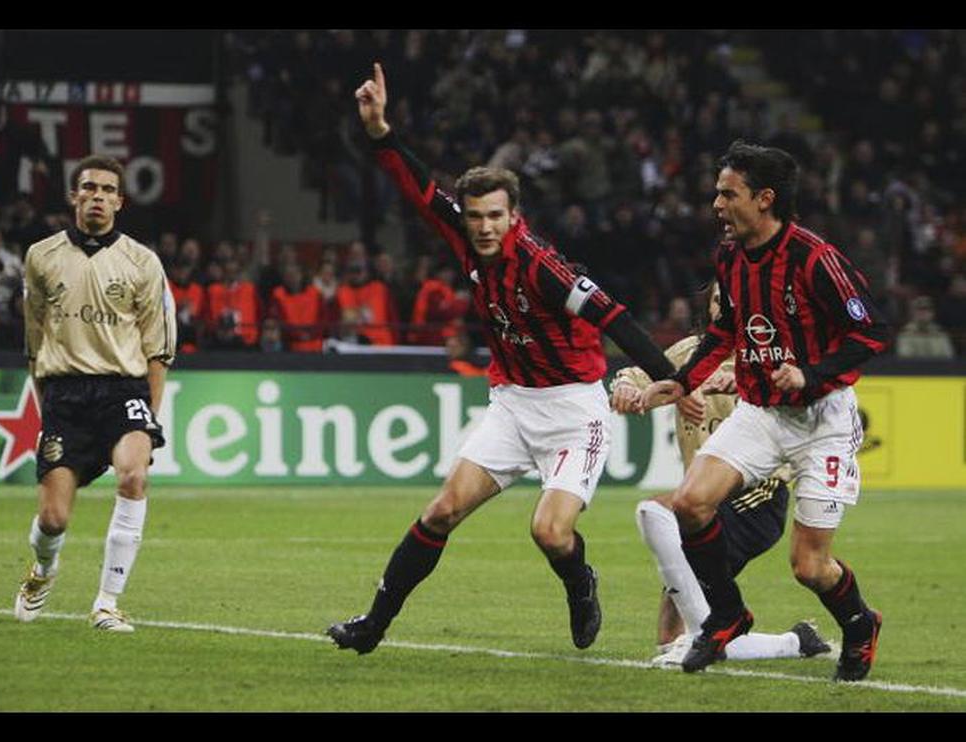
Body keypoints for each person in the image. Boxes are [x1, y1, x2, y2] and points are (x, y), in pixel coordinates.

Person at [327, 63, 675, 654]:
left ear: (514, 215)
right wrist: (381, 132)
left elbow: (612, 317)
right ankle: (372, 626)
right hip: (512, 406)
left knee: (549, 532)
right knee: (441, 511)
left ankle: (579, 580)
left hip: (574, 411)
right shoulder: (465, 237)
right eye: (475, 216)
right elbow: (417, 190)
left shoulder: (541, 266)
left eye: (495, 216)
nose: (484, 227)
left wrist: (674, 376)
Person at [638, 141, 890, 681]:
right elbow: (723, 333)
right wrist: (678, 382)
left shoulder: (814, 259)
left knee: (809, 566)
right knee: (689, 503)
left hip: (821, 420)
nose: (717, 204)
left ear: (765, 199)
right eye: (717, 193)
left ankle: (859, 624)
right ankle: (728, 615)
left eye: (728, 194)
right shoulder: (730, 258)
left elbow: (870, 332)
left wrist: (811, 374)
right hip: (761, 411)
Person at [611, 281, 831, 667]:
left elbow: (802, 406)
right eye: (718, 301)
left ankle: (708, 634)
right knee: (671, 638)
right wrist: (626, 388)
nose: (724, 308)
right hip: (700, 502)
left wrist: (736, 384)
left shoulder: (774, 359)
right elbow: (634, 374)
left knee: (654, 511)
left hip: (758, 495)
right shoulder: (688, 353)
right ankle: (796, 642)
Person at [15, 155, 177, 632]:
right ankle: (43, 571)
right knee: (54, 518)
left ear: (120, 202)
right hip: (65, 393)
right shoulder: (41, 257)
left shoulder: (142, 262)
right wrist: (47, 411)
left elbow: (158, 348)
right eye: (89, 188)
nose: (98, 197)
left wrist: (149, 416)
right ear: (74, 196)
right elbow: (33, 341)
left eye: (108, 190)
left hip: (122, 388)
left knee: (133, 479)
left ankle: (107, 602)